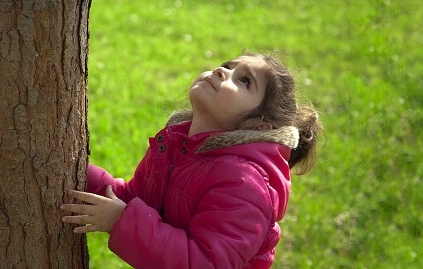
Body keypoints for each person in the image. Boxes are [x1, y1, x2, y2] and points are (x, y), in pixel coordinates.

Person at [60, 53, 323, 268]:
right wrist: (72, 171)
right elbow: (135, 200)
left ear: (258, 127)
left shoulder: (245, 183)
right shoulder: (179, 147)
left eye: (244, 80)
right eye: (226, 65)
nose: (222, 71)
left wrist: (121, 220)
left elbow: (206, 263)